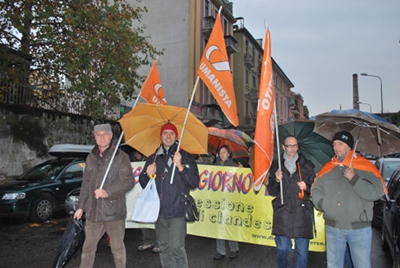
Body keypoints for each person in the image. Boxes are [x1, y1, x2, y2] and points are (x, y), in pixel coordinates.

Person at [311, 131, 385, 268]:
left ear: (350, 146)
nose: (336, 147)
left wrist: (355, 179)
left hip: (359, 230)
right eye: (334, 144)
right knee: (333, 265)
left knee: (362, 265)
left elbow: (376, 193)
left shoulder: (366, 167)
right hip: (333, 228)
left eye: (340, 144)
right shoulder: (328, 167)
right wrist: (322, 204)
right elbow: (316, 189)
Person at [73, 124, 135, 268]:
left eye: (105, 134)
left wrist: (108, 192)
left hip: (113, 212)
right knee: (88, 249)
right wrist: (80, 207)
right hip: (94, 211)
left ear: (111, 136)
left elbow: (128, 181)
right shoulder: (91, 157)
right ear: (94, 137)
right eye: (98, 135)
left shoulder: (121, 157)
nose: (102, 137)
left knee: (117, 249)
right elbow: (86, 184)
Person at [139, 123, 200, 268]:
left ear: (176, 136)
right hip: (159, 212)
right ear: (160, 136)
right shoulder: (153, 158)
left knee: (176, 247)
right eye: (165, 133)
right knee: (164, 248)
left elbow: (194, 182)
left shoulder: (185, 157)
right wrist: (148, 175)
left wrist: (180, 167)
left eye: (171, 133)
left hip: (178, 210)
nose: (168, 136)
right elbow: (143, 183)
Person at [267, 135, 315, 268]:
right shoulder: (276, 165)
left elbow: (316, 189)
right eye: (289, 146)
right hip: (283, 212)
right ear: (283, 147)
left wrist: (307, 187)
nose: (293, 149)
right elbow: (271, 191)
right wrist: (276, 180)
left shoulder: (307, 165)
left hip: (302, 213)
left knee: (302, 253)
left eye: (295, 146)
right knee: (282, 249)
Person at [213, 145, 242, 260]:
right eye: (220, 153)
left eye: (224, 152)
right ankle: (220, 251)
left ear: (229, 154)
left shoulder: (234, 166)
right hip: (219, 200)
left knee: (230, 225)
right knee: (219, 226)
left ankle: (234, 248)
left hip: (230, 200)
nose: (222, 155)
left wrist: (241, 171)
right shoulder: (215, 166)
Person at [133, 150, 160, 254]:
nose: (136, 154)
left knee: (158, 220)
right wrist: (147, 174)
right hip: (148, 194)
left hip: (160, 194)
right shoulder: (151, 158)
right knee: (145, 216)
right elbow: (142, 179)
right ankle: (148, 240)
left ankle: (159, 243)